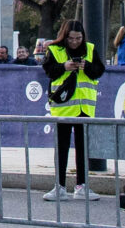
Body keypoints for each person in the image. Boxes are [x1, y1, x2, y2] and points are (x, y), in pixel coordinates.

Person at [40, 19, 104, 200]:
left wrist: (87, 66)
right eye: (71, 38)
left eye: (78, 38)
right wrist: (64, 67)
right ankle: (59, 186)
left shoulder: (90, 49)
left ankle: (82, 186)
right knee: (62, 147)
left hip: (84, 107)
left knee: (82, 148)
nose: (75, 42)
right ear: (64, 36)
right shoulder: (54, 49)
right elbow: (49, 71)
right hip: (63, 108)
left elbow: (99, 70)